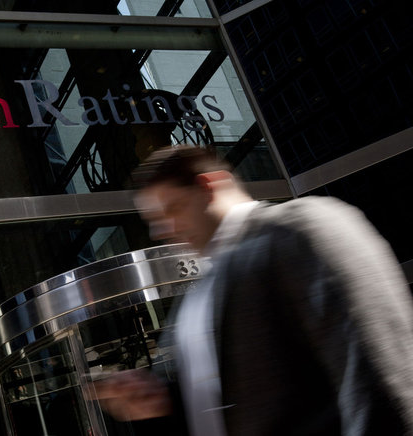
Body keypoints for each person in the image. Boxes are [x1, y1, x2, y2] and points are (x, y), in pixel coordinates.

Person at [94, 145, 413, 435]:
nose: (163, 230)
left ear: (208, 187)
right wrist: (161, 399)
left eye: (173, 208)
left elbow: (380, 375)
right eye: (154, 220)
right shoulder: (200, 291)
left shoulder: (301, 227)